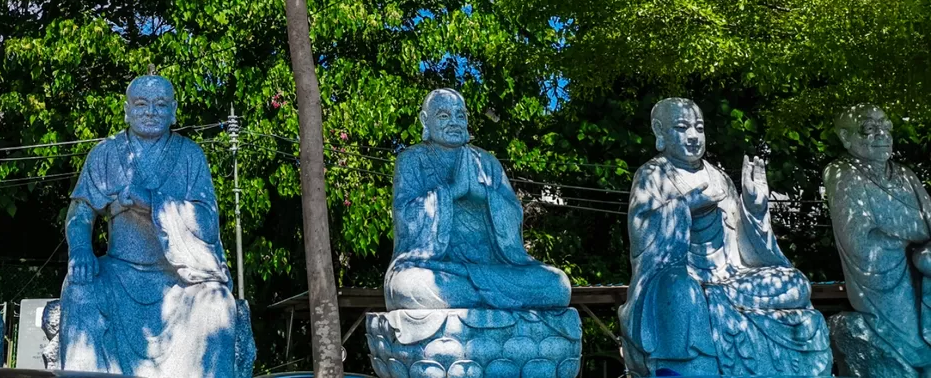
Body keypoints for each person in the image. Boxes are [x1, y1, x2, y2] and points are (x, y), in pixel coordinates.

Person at [620, 98, 830, 376]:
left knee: (795, 283)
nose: (693, 136)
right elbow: (643, 234)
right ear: (660, 131)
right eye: (682, 128)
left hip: (729, 279)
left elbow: (745, 250)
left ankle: (717, 298)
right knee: (681, 292)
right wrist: (683, 208)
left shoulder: (719, 178)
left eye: (699, 127)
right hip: (681, 275)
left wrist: (754, 208)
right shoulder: (652, 175)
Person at [59, 73, 248, 378]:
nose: (150, 112)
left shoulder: (189, 156)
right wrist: (80, 249)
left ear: (174, 110)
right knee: (79, 290)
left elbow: (207, 223)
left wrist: (152, 202)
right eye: (141, 104)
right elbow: (81, 211)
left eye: (160, 104)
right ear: (126, 109)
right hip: (118, 273)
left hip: (179, 279)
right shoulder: (106, 154)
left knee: (217, 303)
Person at [385, 87, 570, 310]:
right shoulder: (411, 160)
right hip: (438, 268)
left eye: (460, 115)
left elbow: (513, 213)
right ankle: (484, 297)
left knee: (557, 284)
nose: (454, 122)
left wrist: (483, 196)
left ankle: (477, 295)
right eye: (444, 116)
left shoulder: (486, 162)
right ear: (425, 120)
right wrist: (453, 191)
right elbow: (405, 217)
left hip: (494, 267)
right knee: (408, 286)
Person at [825, 104, 931, 376]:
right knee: (916, 347)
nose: (882, 134)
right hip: (881, 277)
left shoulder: (906, 175)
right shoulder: (842, 174)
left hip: (920, 266)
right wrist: (913, 231)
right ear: (846, 138)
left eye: (885, 126)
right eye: (869, 129)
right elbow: (860, 242)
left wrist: (908, 234)